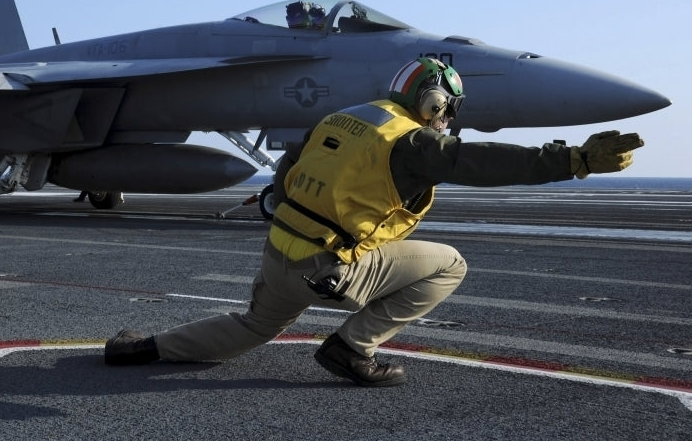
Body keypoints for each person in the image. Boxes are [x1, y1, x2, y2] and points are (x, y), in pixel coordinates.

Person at [105, 57, 644, 387]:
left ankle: (146, 347)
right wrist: (572, 160)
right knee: (450, 264)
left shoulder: (341, 117)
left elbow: (289, 176)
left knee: (254, 327)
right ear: (434, 102)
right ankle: (352, 347)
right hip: (330, 267)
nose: (448, 119)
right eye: (447, 109)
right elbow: (482, 162)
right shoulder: (412, 140)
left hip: (281, 250)